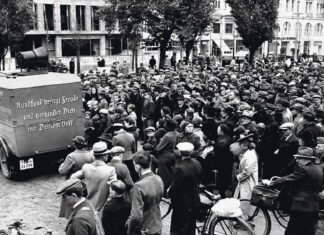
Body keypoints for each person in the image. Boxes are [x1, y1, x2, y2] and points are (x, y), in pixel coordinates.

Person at [270, 148, 323, 235]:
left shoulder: (303, 170)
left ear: (307, 159)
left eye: (299, 158)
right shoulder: (318, 170)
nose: (297, 160)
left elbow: (287, 179)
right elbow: (319, 188)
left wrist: (272, 183)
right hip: (314, 206)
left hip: (301, 207)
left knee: (291, 231)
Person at [71, 142, 117, 214]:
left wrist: (83, 186)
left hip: (88, 206)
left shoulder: (86, 167)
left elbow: (73, 177)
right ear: (104, 156)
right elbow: (114, 191)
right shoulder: (110, 170)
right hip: (103, 208)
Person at [127, 151, 164, 235]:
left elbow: (136, 216)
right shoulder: (158, 178)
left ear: (137, 166)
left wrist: (131, 231)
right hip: (157, 224)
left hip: (144, 229)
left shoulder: (138, 186)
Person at [168, 142, 202, 235]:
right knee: (190, 227)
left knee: (179, 228)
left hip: (182, 203)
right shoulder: (196, 163)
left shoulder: (180, 168)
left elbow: (175, 186)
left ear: (179, 152)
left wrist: (169, 193)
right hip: (194, 199)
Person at [234, 133, 258, 220]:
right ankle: (242, 220)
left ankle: (244, 222)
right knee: (242, 202)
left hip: (248, 183)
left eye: (241, 144)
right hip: (245, 182)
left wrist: (238, 177)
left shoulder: (250, 155)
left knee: (245, 202)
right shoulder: (246, 153)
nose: (240, 146)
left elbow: (247, 171)